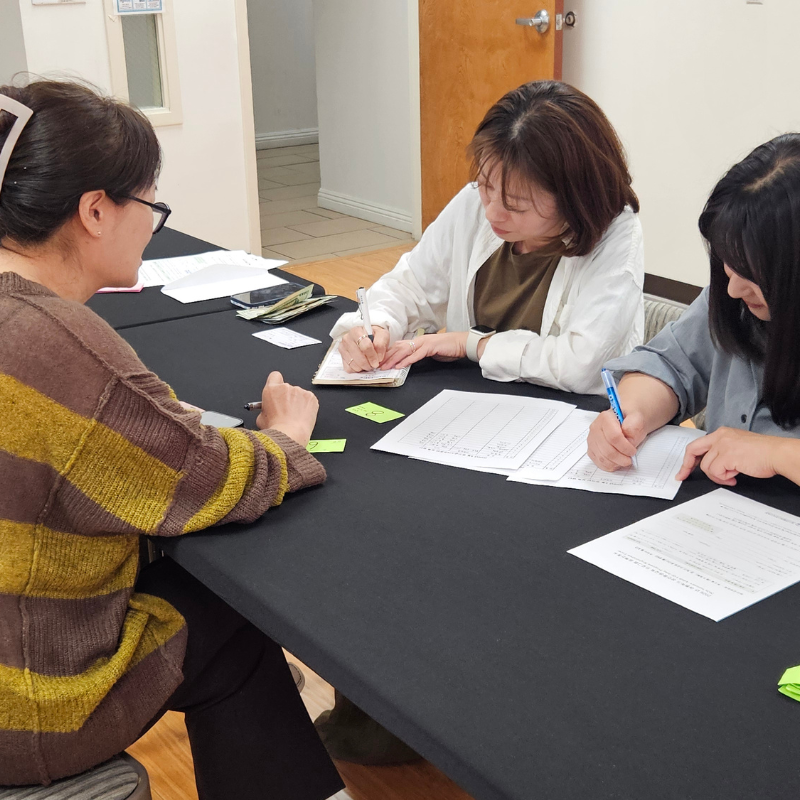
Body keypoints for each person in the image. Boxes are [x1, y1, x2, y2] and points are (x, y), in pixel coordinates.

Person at [0, 79, 344, 800]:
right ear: (95, 210)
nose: (154, 225)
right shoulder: (52, 340)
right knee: (231, 625)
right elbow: (207, 478)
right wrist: (286, 438)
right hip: (23, 711)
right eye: (150, 206)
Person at [331, 80, 644, 396]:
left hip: (570, 420)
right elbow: (412, 286)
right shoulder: (475, 204)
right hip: (474, 406)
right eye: (484, 184)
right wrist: (377, 326)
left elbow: (581, 365)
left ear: (573, 196)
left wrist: (471, 344)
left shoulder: (616, 234)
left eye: (516, 204)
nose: (493, 212)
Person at [587, 133, 800, 487]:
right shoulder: (736, 299)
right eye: (728, 265)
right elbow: (670, 364)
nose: (733, 289)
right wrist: (630, 415)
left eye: (752, 272)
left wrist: (777, 454)